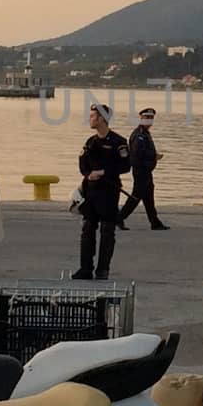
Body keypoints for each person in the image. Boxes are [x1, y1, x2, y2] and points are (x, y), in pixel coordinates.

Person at [74, 102, 130, 279]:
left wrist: (105, 172)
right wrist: (88, 174)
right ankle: (85, 268)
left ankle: (103, 270)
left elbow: (126, 165)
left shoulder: (118, 142)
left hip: (109, 192)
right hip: (91, 192)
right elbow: (83, 165)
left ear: (102, 119)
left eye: (93, 116)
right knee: (87, 229)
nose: (90, 119)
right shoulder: (90, 142)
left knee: (107, 231)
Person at [118, 107, 169, 231]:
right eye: (147, 118)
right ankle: (118, 218)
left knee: (148, 197)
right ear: (141, 118)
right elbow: (138, 153)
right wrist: (154, 156)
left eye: (151, 118)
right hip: (141, 170)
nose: (149, 121)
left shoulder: (145, 134)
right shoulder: (139, 135)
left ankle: (154, 221)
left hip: (146, 170)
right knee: (136, 197)